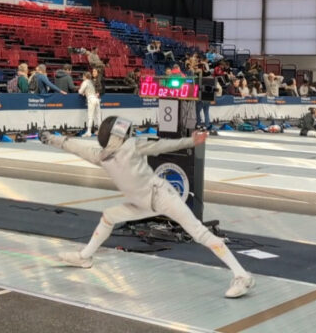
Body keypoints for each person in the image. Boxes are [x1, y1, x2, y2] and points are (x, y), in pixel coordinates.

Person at [40, 117, 255, 299]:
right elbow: (73, 145)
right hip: (141, 204)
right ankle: (84, 257)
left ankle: (242, 276)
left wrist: (191, 140)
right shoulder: (101, 157)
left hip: (162, 196)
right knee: (109, 216)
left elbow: (161, 146)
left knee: (198, 232)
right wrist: (50, 139)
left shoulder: (132, 148)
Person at [78, 70, 101, 137]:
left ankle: (88, 132)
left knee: (90, 117)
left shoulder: (85, 82)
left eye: (83, 76)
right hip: (96, 100)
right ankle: (100, 131)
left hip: (91, 99)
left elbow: (80, 91)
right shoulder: (91, 82)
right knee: (98, 117)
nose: (82, 77)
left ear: (85, 76)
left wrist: (83, 92)